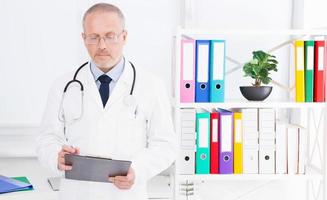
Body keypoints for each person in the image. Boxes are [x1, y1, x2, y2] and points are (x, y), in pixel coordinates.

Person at [36, 3, 176, 200]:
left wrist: (137, 170)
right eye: (94, 37)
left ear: (124, 37)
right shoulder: (64, 86)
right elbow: (46, 139)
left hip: (126, 194)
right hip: (77, 194)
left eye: (110, 36)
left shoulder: (151, 85)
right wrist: (55, 157)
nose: (102, 45)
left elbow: (166, 145)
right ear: (84, 39)